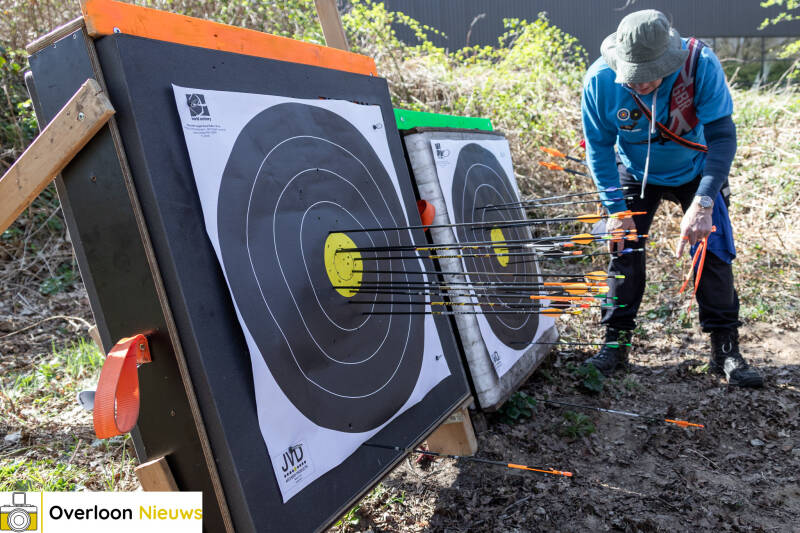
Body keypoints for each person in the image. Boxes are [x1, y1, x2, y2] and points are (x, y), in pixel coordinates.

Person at [580, 9, 763, 387]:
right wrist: (616, 210)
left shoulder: (701, 65)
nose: (640, 84)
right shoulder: (599, 80)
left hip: (696, 167)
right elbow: (597, 148)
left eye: (649, 75)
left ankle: (725, 349)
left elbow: (722, 138)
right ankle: (615, 343)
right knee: (623, 251)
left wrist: (704, 202)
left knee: (712, 251)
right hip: (634, 169)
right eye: (633, 76)